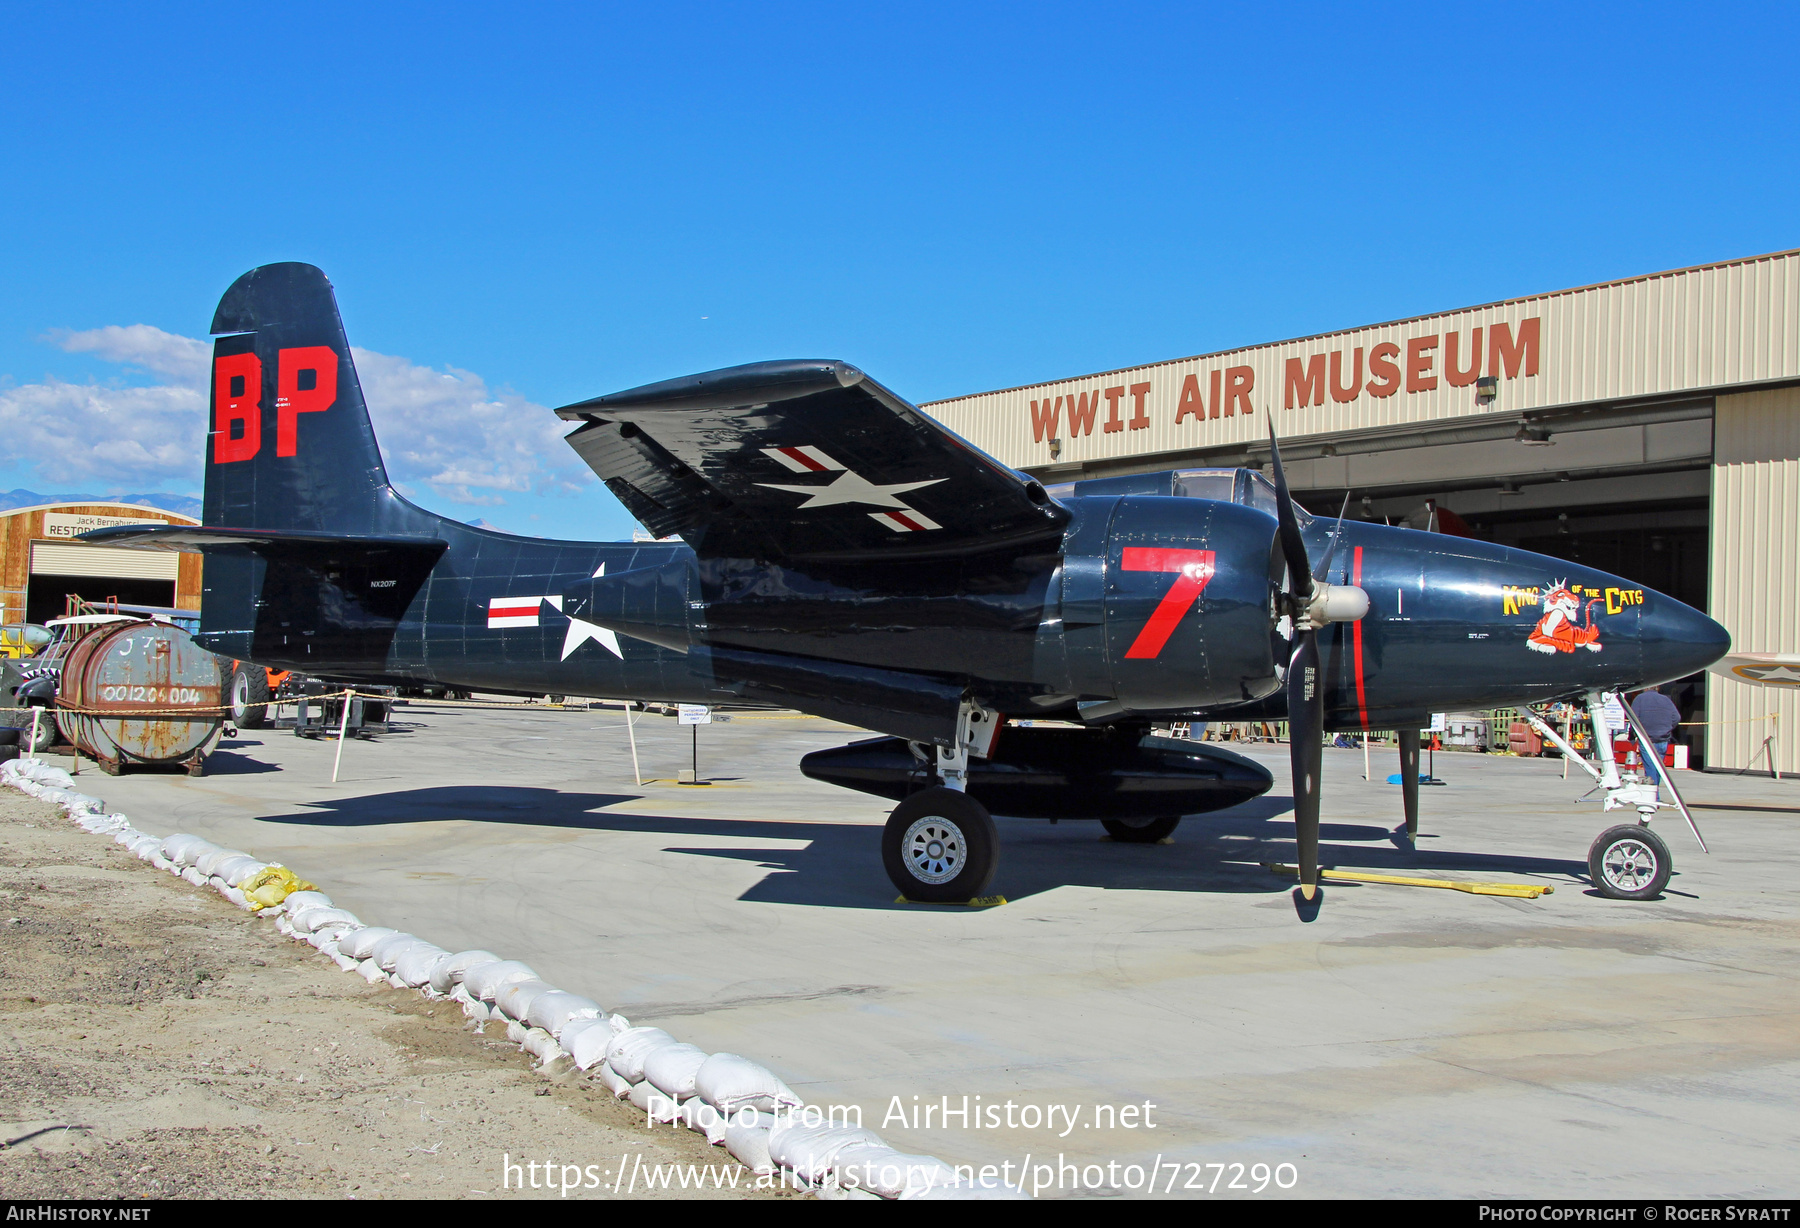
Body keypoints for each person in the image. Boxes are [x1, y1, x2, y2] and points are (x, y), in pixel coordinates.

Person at [1628, 685, 1682, 792]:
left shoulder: (1639, 699)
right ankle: (1655, 792)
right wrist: (1667, 728)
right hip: (1663, 739)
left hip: (1647, 738)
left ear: (1645, 688)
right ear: (1657, 688)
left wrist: (1632, 735)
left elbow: (1632, 717)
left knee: (1650, 768)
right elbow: (1677, 717)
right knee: (1658, 768)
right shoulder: (1666, 700)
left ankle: (1653, 796)